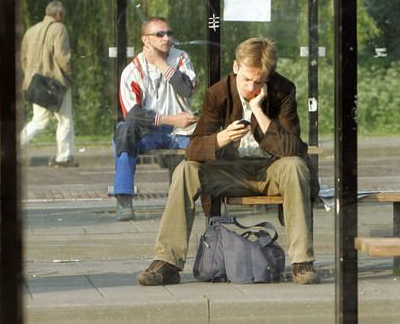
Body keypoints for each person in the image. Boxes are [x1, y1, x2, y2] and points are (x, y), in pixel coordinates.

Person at [137, 37, 320, 286]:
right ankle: (167, 261)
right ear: (236, 67)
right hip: (230, 172)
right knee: (185, 170)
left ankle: (302, 261)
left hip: (271, 171)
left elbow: (291, 149)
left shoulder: (282, 91)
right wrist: (221, 138)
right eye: (246, 79)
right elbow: (193, 149)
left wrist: (258, 111)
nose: (251, 87)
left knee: (295, 166)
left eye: (259, 81)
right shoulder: (218, 94)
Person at [113, 17, 199, 221]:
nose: (166, 38)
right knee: (124, 132)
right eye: (159, 34)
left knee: (206, 142)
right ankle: (124, 199)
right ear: (145, 40)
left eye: (169, 33)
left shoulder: (181, 58)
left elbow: (187, 89)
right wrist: (170, 120)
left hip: (181, 131)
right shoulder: (132, 70)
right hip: (149, 131)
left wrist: (160, 63)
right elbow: (132, 114)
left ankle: (195, 199)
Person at [20, 0, 78, 167]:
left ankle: (13, 149)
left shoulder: (31, 31)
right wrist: (69, 77)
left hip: (36, 84)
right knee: (65, 120)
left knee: (38, 121)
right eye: (63, 15)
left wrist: (31, 79)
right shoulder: (59, 29)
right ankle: (63, 157)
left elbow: (23, 59)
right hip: (56, 83)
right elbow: (62, 57)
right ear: (58, 14)